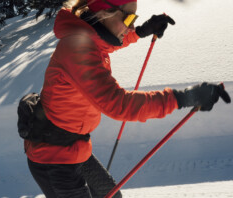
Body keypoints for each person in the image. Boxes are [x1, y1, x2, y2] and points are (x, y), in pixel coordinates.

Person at [24, 0, 231, 197]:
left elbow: (106, 44)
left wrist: (140, 31)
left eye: (133, 20)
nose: (130, 26)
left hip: (75, 147)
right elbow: (119, 104)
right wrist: (184, 97)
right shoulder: (77, 48)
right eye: (129, 19)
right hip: (53, 157)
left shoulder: (87, 36)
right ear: (105, 12)